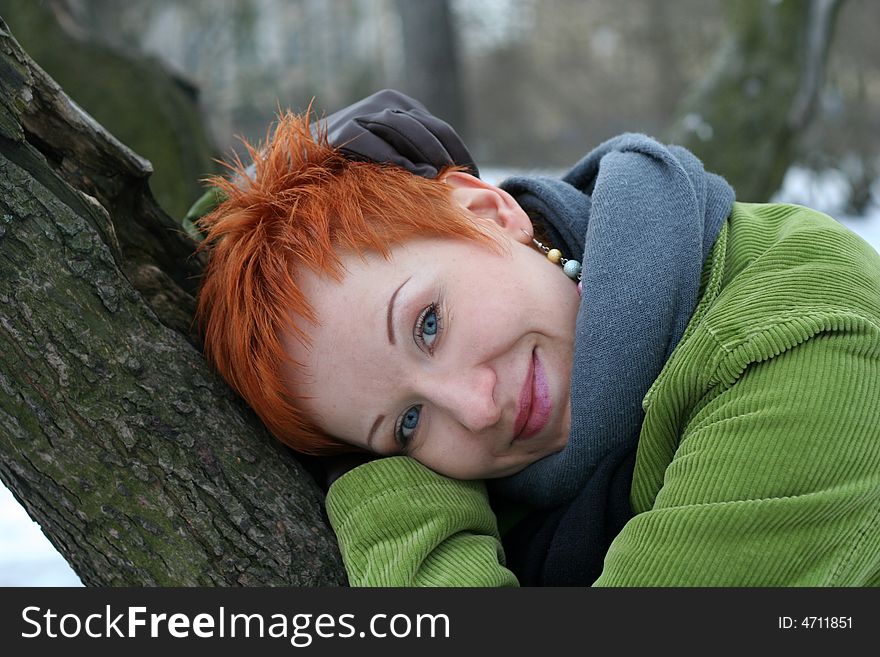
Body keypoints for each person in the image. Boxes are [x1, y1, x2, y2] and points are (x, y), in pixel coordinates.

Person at [191, 90, 880, 586]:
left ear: (489, 211)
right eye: (406, 424)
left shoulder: (799, 325)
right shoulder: (517, 482)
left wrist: (404, 529)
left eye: (428, 324)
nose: (477, 408)